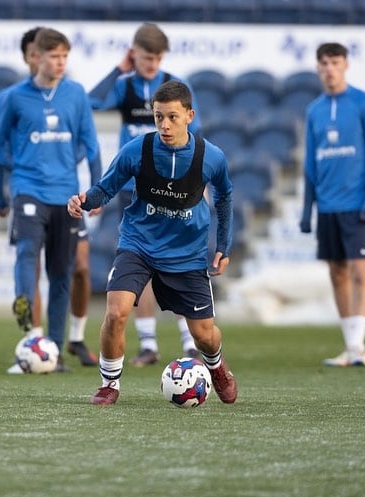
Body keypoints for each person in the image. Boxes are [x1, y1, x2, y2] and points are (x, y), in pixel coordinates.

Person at [68, 80, 237, 405]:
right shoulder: (136, 150)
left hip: (186, 254)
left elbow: (225, 195)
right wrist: (82, 201)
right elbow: (106, 188)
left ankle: (215, 365)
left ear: (190, 115)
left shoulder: (210, 156)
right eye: (158, 117)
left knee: (204, 334)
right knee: (116, 313)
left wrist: (223, 246)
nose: (164, 125)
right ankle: (109, 385)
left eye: (172, 117)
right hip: (138, 244)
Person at [88, 22, 203, 367]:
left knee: (178, 262)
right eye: (144, 57)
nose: (151, 64)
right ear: (133, 53)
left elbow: (195, 138)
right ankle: (149, 344)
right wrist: (118, 69)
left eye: (156, 58)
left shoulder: (174, 88)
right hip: (132, 189)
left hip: (172, 186)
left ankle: (189, 344)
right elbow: (89, 102)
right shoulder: (124, 87)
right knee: (142, 264)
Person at [0, 27, 101, 372]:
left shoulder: (77, 95)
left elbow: (92, 145)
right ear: (37, 56)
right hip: (28, 190)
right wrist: (0, 192)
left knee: (62, 272)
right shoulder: (13, 97)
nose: (60, 63)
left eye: (65, 56)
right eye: (54, 56)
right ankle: (30, 337)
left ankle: (52, 349)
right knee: (26, 254)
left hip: (66, 194)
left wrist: (96, 190)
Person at [299, 42, 365, 367]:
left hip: (357, 204)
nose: (329, 68)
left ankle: (358, 346)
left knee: (360, 273)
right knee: (336, 274)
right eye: (323, 63)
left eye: (334, 62)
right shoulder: (315, 110)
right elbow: (310, 164)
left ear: (346, 64)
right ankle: (351, 348)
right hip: (328, 206)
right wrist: (308, 209)